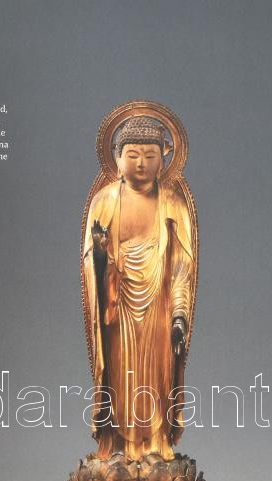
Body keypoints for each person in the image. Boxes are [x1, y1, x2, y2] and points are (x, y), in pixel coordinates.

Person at [82, 115, 196, 460]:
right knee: (121, 377)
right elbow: (90, 261)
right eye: (132, 155)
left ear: (163, 158)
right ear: (118, 159)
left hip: (160, 305)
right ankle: (120, 448)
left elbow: (182, 265)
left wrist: (179, 314)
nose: (141, 163)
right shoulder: (104, 201)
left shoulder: (173, 203)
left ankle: (158, 445)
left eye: (150, 155)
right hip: (117, 306)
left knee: (157, 378)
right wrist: (101, 254)